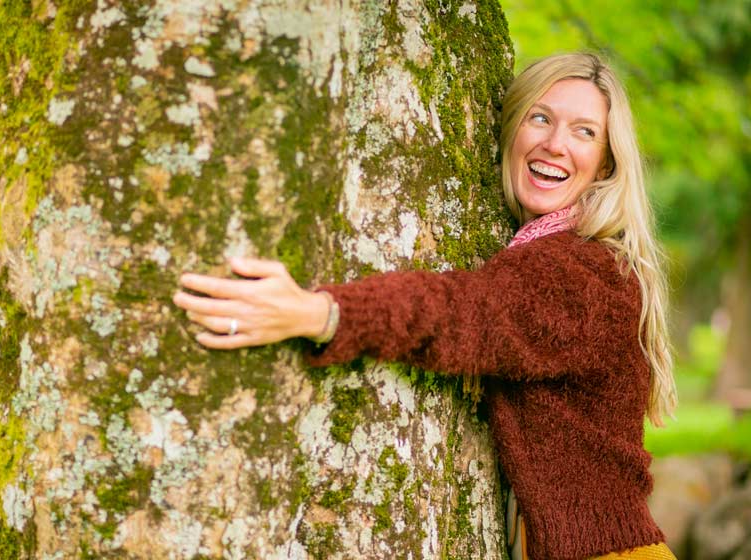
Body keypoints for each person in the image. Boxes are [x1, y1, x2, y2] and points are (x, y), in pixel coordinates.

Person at [172, 53, 678, 560]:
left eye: (585, 132)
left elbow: (467, 312)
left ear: (608, 162)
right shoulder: (560, 253)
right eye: (540, 117)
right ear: (512, 128)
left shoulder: (583, 271)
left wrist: (322, 314)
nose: (555, 143)